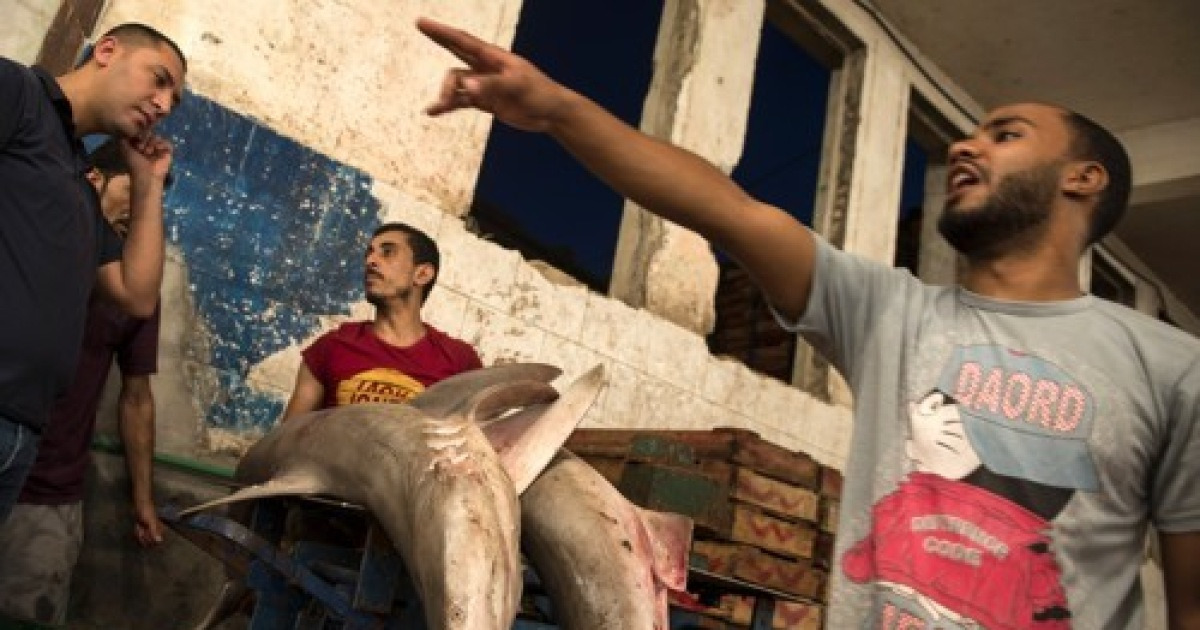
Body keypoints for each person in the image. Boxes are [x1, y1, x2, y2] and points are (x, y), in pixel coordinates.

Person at [416, 17, 1200, 629]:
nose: (966, 143)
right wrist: (557, 110)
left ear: (1083, 179)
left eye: (1006, 134)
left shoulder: (1172, 370)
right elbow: (725, 208)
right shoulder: (889, 313)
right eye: (971, 129)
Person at [0, 23, 184, 524]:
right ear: (107, 51)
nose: (164, 104)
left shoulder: (81, 185)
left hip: (20, 430)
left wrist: (147, 184)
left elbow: (136, 295)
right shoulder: (17, 94)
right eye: (159, 79)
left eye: (174, 98)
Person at [0, 139, 165, 627]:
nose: (137, 218)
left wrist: (142, 500)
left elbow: (136, 398)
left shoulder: (136, 291)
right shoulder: (29, 243)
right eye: (131, 197)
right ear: (93, 181)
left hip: (50, 496)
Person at [279, 222, 482, 422]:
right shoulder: (330, 348)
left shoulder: (460, 361)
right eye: (369, 253)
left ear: (422, 274)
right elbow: (284, 442)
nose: (370, 261)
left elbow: (479, 443)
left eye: (387, 252)